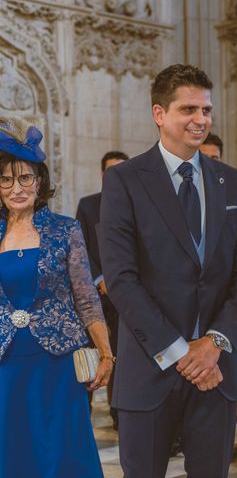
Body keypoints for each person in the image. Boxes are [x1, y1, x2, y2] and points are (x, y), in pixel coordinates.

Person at [98, 64, 237, 478]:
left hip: (216, 369)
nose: (201, 120)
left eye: (206, 110)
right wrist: (180, 351)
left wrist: (214, 342)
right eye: (189, 109)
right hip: (151, 369)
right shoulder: (125, 181)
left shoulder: (231, 181)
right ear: (159, 114)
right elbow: (121, 279)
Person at [0, 116, 113, 477]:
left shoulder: (65, 229)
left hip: (58, 362)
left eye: (25, 177)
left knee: (61, 452)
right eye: (6, 179)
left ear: (39, 181)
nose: (16, 187)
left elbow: (86, 299)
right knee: (12, 449)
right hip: (6, 362)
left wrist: (106, 353)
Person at [76, 150, 128, 427]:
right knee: (91, 356)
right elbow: (81, 247)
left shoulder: (138, 204)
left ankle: (120, 413)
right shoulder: (88, 205)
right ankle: (82, 413)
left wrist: (121, 280)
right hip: (93, 296)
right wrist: (99, 279)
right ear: (102, 173)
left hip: (126, 297)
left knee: (124, 356)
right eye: (111, 170)